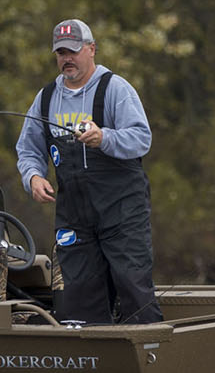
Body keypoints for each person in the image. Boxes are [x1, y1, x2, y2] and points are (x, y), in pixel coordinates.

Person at [15, 18, 163, 325]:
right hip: (75, 217)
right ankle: (93, 367)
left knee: (132, 287)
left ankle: (152, 362)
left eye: (73, 50)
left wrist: (105, 138)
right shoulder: (45, 99)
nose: (66, 58)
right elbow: (28, 149)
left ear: (91, 49)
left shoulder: (115, 89)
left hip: (122, 212)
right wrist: (34, 177)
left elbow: (141, 138)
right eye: (60, 53)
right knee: (79, 296)